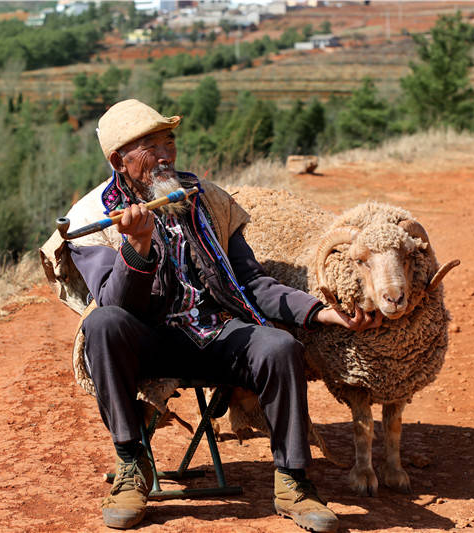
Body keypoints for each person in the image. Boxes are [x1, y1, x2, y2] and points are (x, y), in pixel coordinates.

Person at [66, 99, 381, 531]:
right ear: (118, 159)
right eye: (149, 146)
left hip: (215, 334)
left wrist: (322, 314)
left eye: (169, 140)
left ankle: (293, 482)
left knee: (279, 347)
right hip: (149, 342)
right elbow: (116, 304)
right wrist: (136, 247)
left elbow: (250, 282)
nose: (165, 154)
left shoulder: (207, 200)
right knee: (101, 324)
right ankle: (131, 465)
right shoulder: (92, 218)